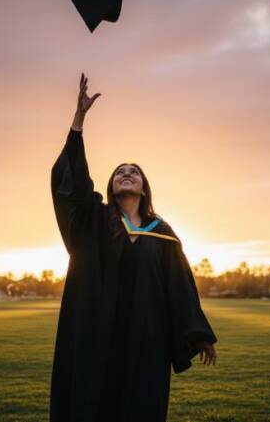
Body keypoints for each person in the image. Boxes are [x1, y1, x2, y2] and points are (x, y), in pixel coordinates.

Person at [50, 73, 218, 422]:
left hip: (146, 340)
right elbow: (72, 189)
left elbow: (181, 287)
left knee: (140, 407)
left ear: (144, 188)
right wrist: (79, 121)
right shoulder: (93, 222)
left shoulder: (163, 234)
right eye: (120, 172)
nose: (126, 174)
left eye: (134, 172)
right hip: (97, 336)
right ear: (111, 186)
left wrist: (199, 334)